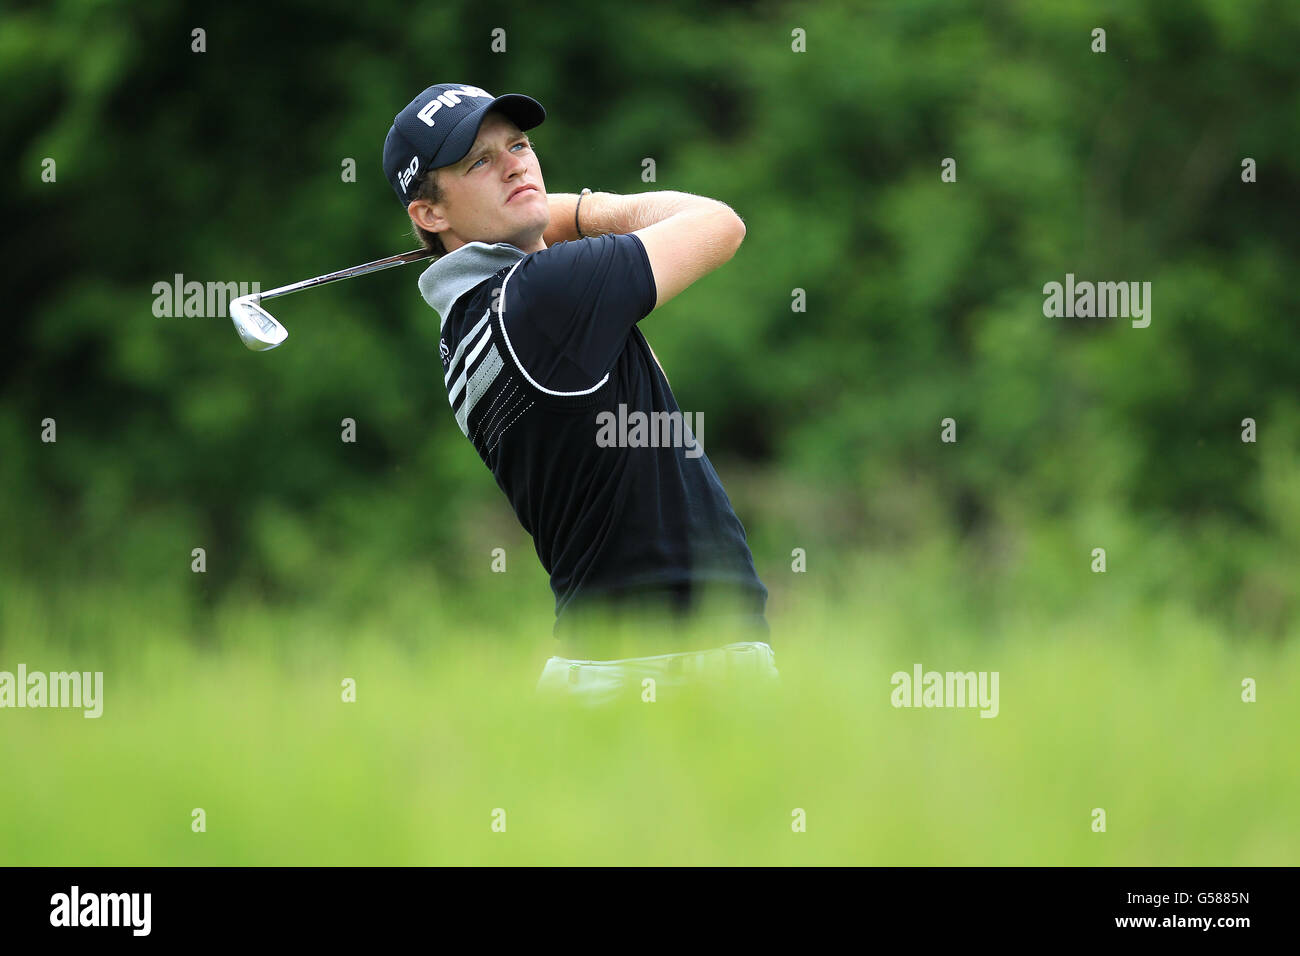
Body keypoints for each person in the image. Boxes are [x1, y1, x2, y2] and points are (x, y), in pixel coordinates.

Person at [382, 83, 779, 705]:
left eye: (518, 145)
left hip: (604, 663)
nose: (516, 164)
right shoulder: (544, 296)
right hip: (681, 664)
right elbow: (719, 225)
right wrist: (581, 209)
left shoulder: (465, 322)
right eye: (479, 162)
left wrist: (525, 213)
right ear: (429, 214)